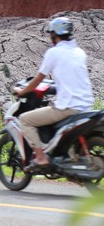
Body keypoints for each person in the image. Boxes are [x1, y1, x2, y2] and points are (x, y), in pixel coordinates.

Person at [13, 16, 94, 170]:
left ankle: (41, 157)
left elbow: (38, 79)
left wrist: (22, 91)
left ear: (54, 35)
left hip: (67, 108)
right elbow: (70, 78)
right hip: (86, 107)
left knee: (25, 120)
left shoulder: (54, 53)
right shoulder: (80, 52)